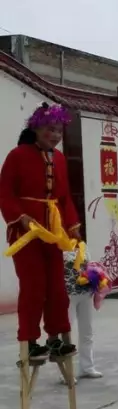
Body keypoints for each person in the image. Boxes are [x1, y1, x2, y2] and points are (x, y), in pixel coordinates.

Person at [0, 103, 81, 361]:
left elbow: (64, 197)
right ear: (36, 129)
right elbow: (5, 192)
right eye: (50, 129)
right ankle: (30, 340)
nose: (55, 135)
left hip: (54, 233)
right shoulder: (17, 155)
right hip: (26, 234)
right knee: (34, 287)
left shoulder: (59, 159)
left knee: (57, 288)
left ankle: (56, 338)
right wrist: (19, 217)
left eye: (59, 130)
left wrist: (73, 226)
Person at [63, 248, 109, 381]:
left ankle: (87, 367)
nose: (76, 231)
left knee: (87, 331)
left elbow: (90, 266)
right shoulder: (57, 246)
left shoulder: (83, 247)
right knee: (66, 333)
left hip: (86, 294)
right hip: (68, 296)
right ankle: (66, 372)